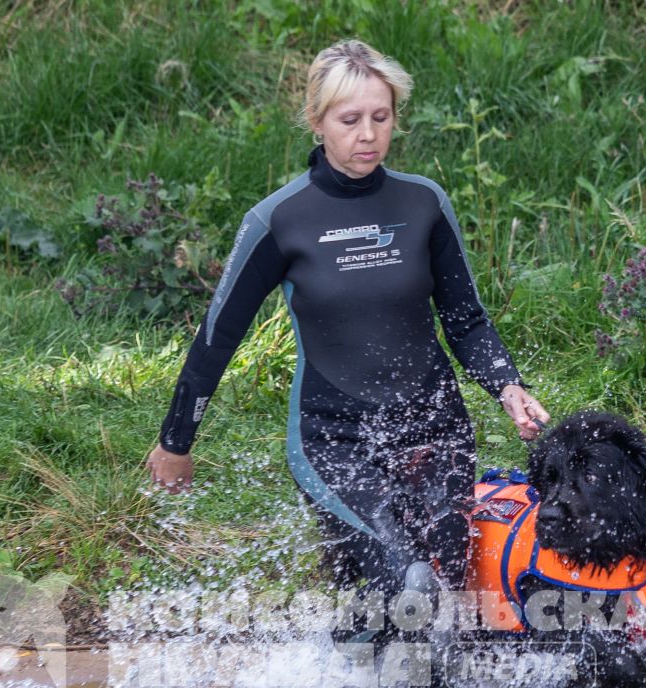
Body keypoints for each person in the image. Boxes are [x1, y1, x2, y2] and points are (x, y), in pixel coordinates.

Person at [145, 39, 548, 599]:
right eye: (350, 119)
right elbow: (218, 338)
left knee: (446, 581)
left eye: (381, 117)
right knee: (406, 579)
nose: (367, 134)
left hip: (434, 428)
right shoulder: (278, 219)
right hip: (335, 440)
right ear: (317, 121)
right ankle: (359, 665)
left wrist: (508, 386)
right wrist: (176, 441)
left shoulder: (423, 203)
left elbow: (466, 319)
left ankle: (372, 666)